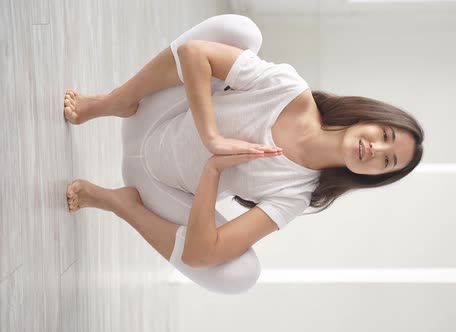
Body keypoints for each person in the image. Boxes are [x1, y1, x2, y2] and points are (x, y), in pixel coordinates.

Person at [63, 14, 424, 295]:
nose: (376, 149)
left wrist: (213, 170)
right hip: (152, 117)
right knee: (241, 31)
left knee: (240, 275)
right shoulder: (290, 91)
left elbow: (200, 255)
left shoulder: (294, 196)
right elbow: (194, 53)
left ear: (373, 176)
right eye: (385, 135)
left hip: (155, 191)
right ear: (369, 119)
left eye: (387, 160)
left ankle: (121, 204)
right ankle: (115, 100)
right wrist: (212, 138)